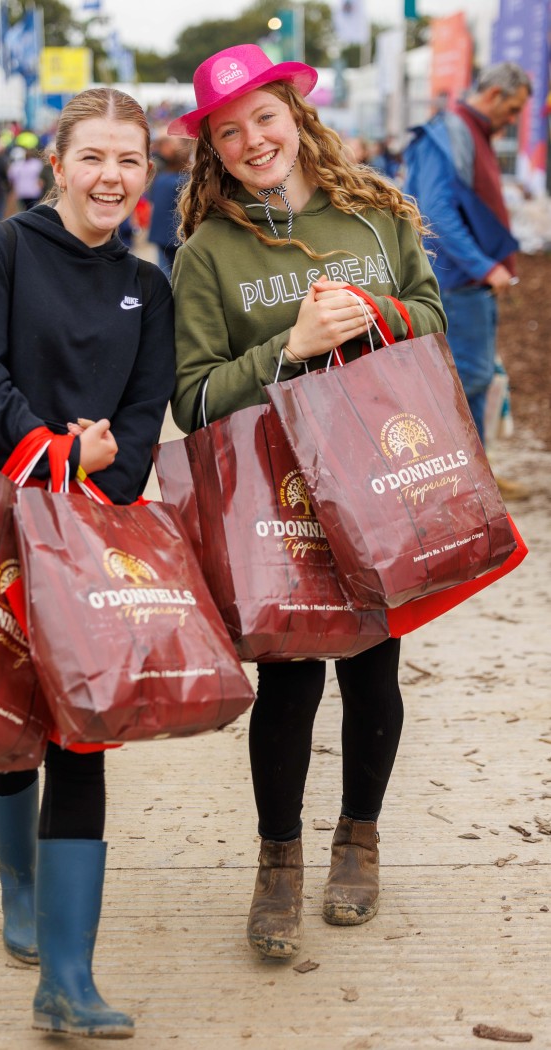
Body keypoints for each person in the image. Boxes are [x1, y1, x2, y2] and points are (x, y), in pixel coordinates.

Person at [168, 44, 446, 960]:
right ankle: (278, 861)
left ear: (296, 115)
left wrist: (378, 315)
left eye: (265, 117)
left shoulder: (373, 214)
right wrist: (288, 347)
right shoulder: (207, 254)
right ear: (211, 147)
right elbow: (193, 400)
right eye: (229, 131)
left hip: (377, 481)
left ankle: (358, 841)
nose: (253, 140)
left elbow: (433, 321)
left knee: (374, 669)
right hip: (276, 497)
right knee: (288, 680)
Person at [0, 87, 175, 1036]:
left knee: (83, 727)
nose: (111, 177)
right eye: (94, 157)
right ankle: (22, 891)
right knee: (5, 716)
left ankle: (68, 981)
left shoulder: (148, 285)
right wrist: (58, 450)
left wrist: (101, 473)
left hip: (91, 530)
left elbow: (144, 418)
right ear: (58, 164)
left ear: (146, 172)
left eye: (129, 160)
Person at [403, 62, 532, 500]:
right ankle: (464, 482)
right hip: (457, 285)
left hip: (469, 285)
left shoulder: (467, 133)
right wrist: (484, 266)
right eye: (513, 109)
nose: (513, 119)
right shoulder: (447, 135)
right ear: (494, 94)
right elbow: (435, 215)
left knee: (472, 379)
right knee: (464, 379)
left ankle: (477, 474)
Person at [147, 134, 193, 278]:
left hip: (159, 232)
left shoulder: (161, 178)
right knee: (177, 273)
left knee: (163, 270)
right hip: (175, 234)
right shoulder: (183, 181)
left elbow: (152, 199)